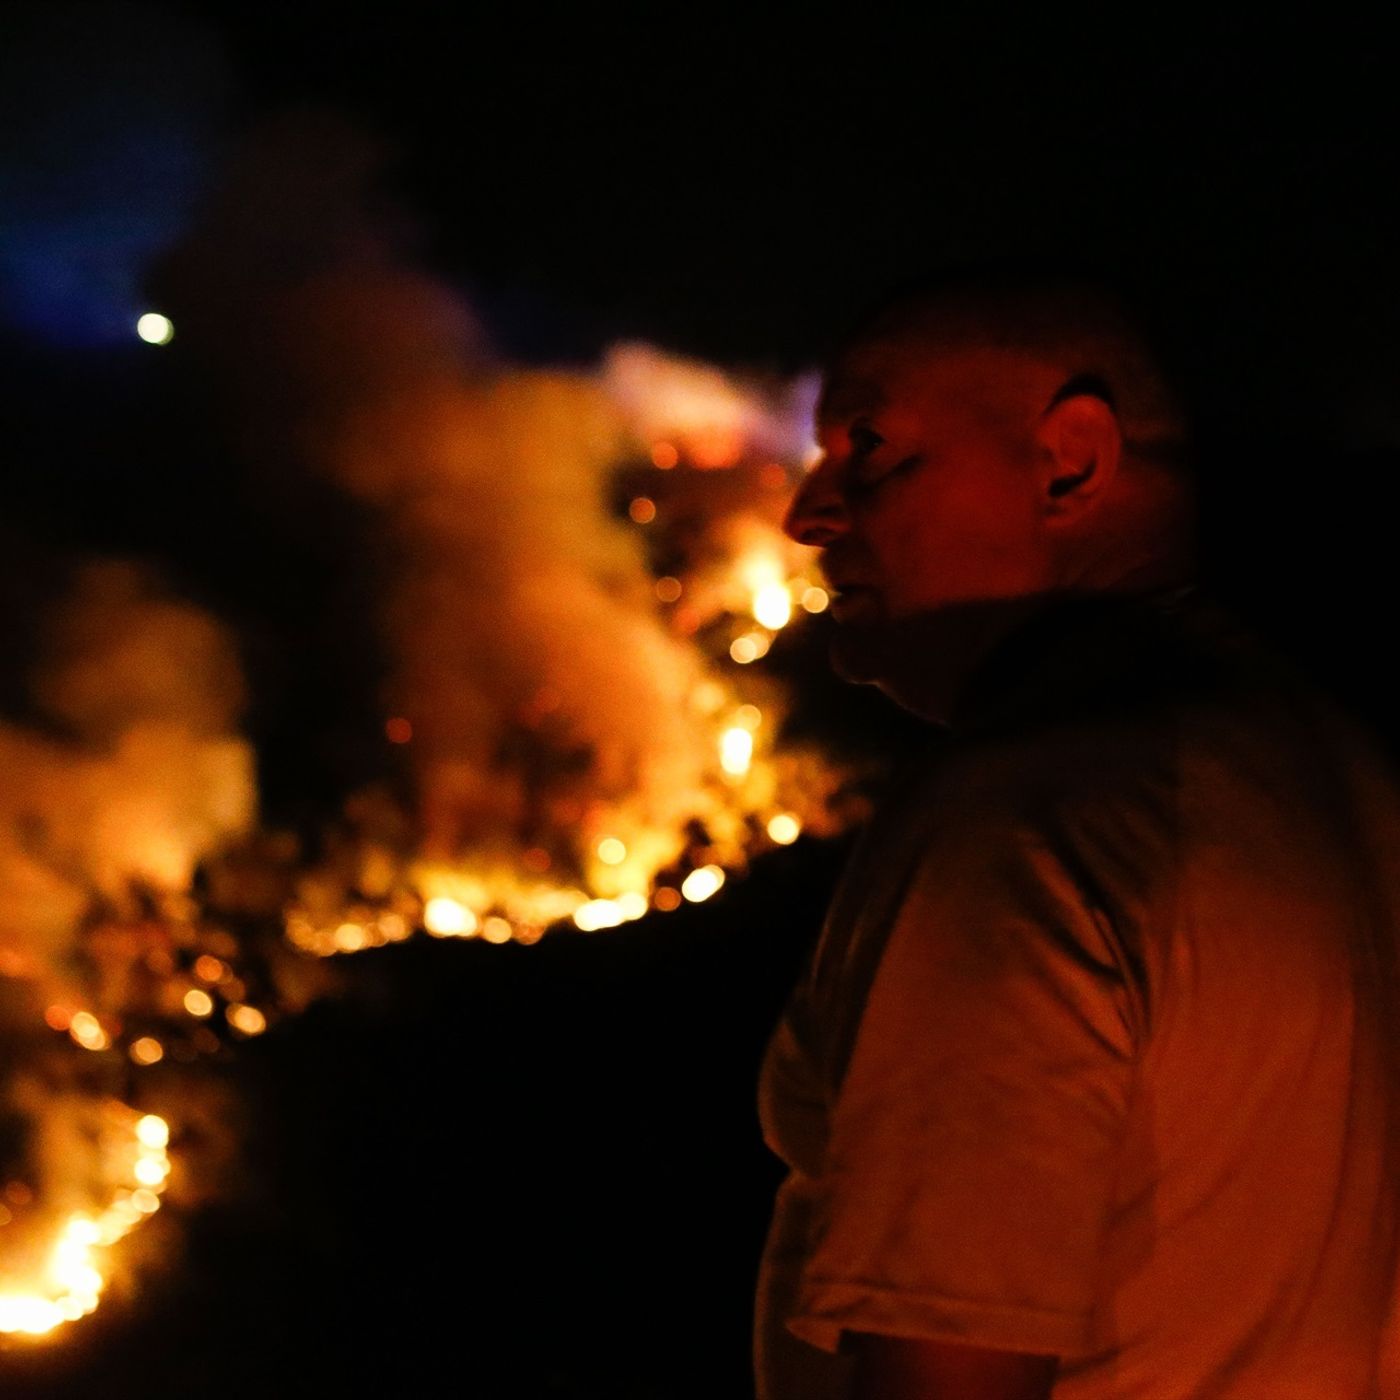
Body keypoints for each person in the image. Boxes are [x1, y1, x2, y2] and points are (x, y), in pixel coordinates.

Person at [755, 274, 1400, 1399]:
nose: (807, 514)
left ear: (1069, 461)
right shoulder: (1342, 776)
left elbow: (944, 1366)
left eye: (867, 444)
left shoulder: (1019, 824)